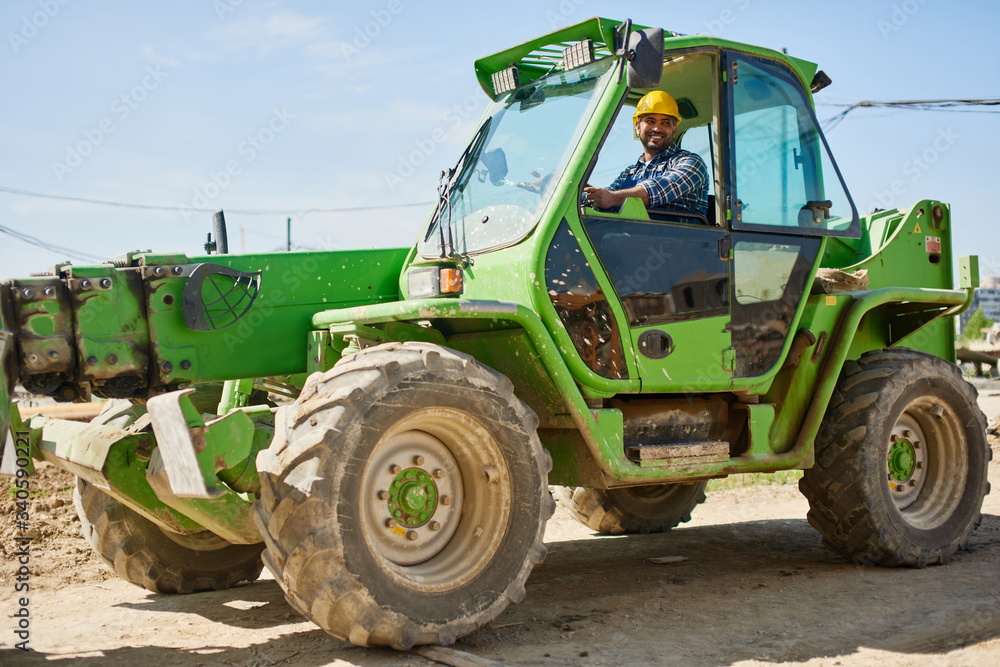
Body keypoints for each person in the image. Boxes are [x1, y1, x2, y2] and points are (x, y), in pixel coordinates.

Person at [583, 90, 709, 219]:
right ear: (638, 127)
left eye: (665, 122)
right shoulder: (630, 173)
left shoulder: (691, 163)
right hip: (628, 231)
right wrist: (588, 194)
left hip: (677, 232)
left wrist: (612, 198)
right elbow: (606, 198)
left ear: (674, 130)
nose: (657, 128)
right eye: (650, 121)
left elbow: (658, 190)